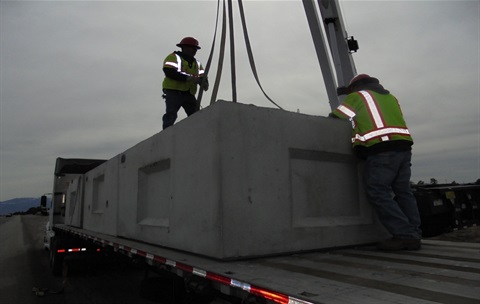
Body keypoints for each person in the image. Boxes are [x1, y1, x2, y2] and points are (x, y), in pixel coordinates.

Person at [330, 74, 422, 250]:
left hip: (382, 150)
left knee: (378, 192)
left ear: (357, 87)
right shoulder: (390, 97)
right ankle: (414, 232)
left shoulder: (359, 96)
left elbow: (338, 116)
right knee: (403, 192)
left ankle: (405, 235)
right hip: (403, 148)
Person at [162, 37, 208, 129]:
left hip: (188, 94)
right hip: (174, 92)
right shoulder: (173, 57)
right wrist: (188, 78)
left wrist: (205, 83)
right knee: (171, 114)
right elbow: (169, 72)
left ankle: (197, 131)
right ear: (184, 47)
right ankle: (166, 134)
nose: (194, 51)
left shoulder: (197, 64)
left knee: (196, 115)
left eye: (195, 49)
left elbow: (203, 76)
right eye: (193, 48)